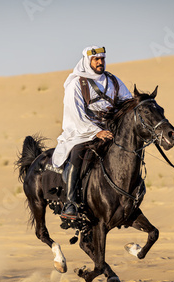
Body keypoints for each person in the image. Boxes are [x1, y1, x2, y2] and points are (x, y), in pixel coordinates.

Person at [52, 45, 133, 220]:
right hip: (81, 132)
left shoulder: (113, 80)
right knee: (77, 154)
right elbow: (76, 114)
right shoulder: (76, 84)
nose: (100, 62)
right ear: (87, 61)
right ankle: (71, 202)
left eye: (102, 59)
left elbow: (127, 101)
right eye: (96, 59)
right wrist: (96, 132)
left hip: (110, 130)